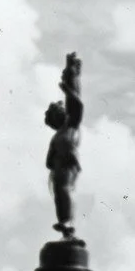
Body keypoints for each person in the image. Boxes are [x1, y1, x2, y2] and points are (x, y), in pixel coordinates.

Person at [45, 53, 84, 236]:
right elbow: (48, 161)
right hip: (59, 169)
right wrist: (54, 161)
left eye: (59, 111)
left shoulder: (71, 125)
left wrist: (69, 85)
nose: (59, 113)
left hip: (68, 164)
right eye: (54, 114)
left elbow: (76, 104)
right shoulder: (57, 137)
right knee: (60, 194)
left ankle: (68, 223)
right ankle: (63, 222)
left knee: (66, 191)